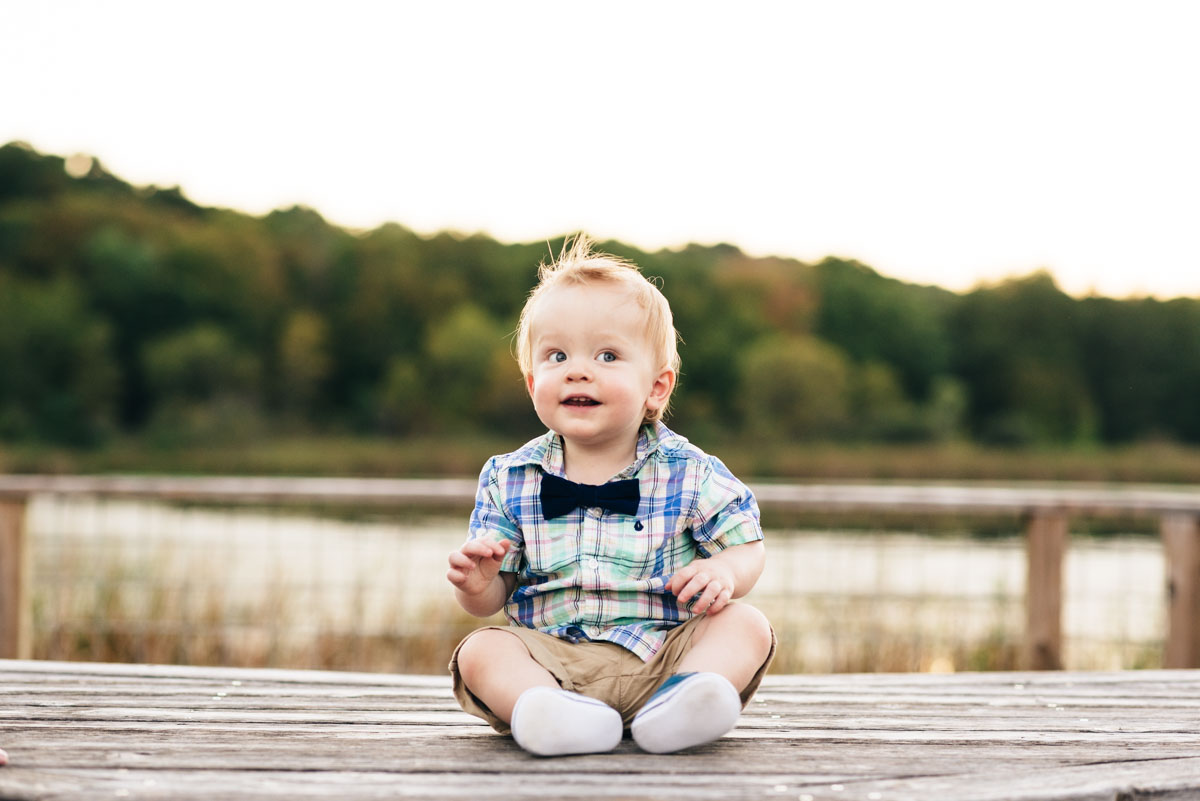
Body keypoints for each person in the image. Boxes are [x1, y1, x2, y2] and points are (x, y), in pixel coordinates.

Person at [446, 235, 775, 756]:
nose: (578, 369)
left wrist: (725, 573)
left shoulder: (689, 472)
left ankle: (683, 703)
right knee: (481, 651)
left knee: (746, 624)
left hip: (663, 653)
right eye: (557, 355)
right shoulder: (509, 477)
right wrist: (477, 585)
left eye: (607, 355)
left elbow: (747, 543)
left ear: (656, 388)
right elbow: (489, 600)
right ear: (533, 381)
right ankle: (547, 712)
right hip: (550, 657)